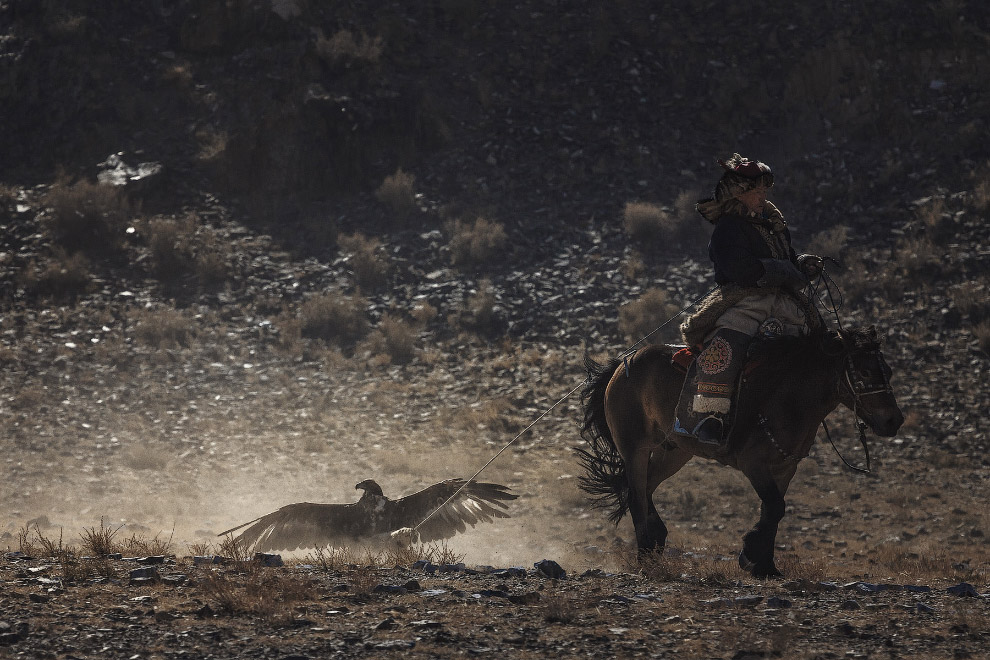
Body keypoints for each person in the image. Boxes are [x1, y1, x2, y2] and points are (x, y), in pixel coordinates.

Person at [674, 153, 823, 448]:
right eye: (756, 191)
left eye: (764, 190)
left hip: (782, 300)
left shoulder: (775, 225)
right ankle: (709, 416)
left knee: (817, 342)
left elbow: (788, 261)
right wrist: (783, 270)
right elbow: (742, 271)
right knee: (727, 346)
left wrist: (802, 266)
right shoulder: (728, 229)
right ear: (739, 195)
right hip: (743, 300)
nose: (762, 195)